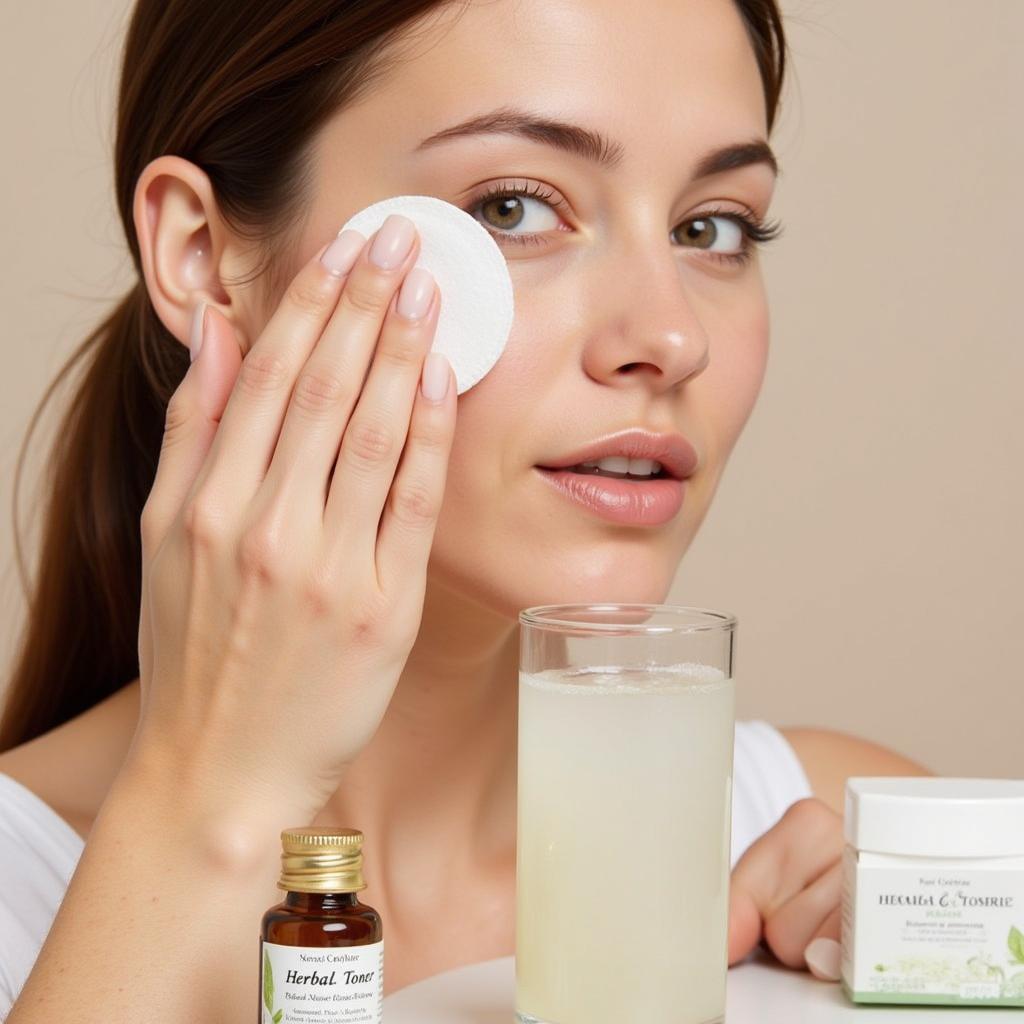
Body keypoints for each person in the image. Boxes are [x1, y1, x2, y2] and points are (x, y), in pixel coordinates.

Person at [0, 0, 929, 1018]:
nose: (671, 338)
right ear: (201, 253)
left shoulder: (841, 842)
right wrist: (202, 814)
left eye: (712, 227)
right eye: (513, 209)